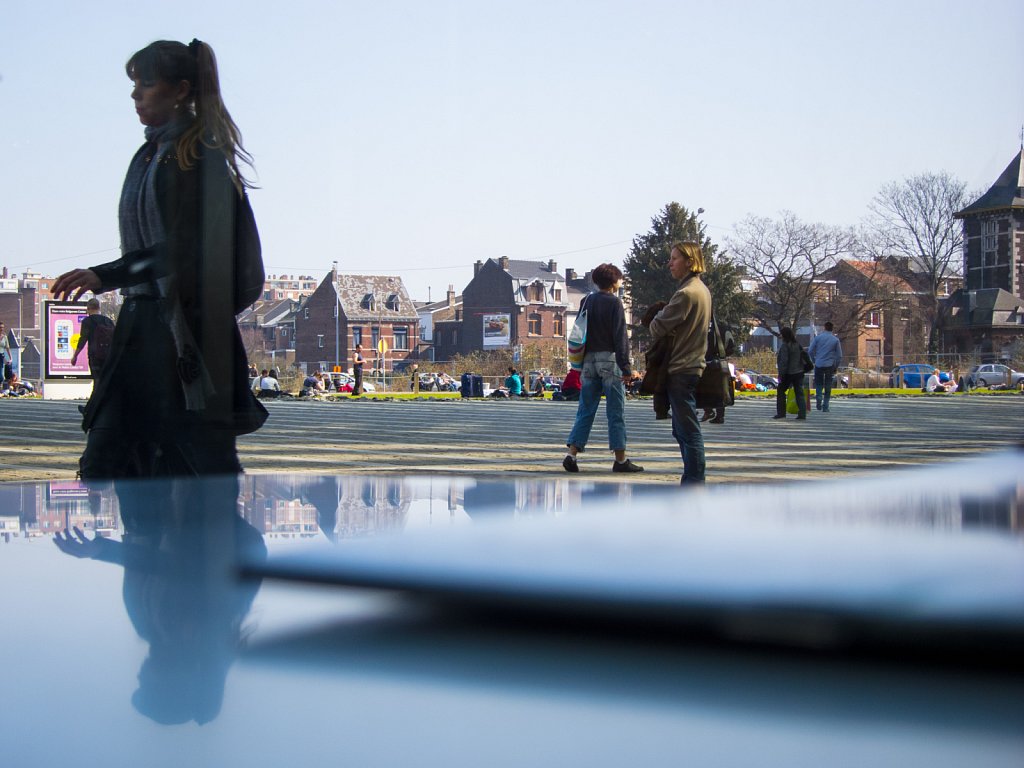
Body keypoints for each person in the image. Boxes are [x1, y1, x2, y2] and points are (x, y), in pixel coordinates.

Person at [52, 39, 266, 479]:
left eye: (146, 85)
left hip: (183, 335)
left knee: (197, 470)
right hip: (144, 328)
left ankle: (199, 545)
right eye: (135, 85)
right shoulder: (152, 154)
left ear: (181, 90)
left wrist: (103, 274)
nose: (135, 96)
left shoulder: (195, 157)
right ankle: (141, 546)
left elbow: (185, 248)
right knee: (117, 462)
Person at [563, 263, 643, 474]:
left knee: (586, 409)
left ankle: (572, 454)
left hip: (588, 360)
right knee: (616, 412)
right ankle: (620, 460)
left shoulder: (586, 300)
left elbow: (581, 331)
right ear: (614, 281)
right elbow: (620, 337)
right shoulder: (615, 303)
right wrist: (626, 368)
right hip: (609, 360)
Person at [646, 243, 711, 483]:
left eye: (674, 259)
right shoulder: (702, 290)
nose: (670, 263)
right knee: (682, 428)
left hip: (682, 367)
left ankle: (693, 481)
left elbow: (656, 327)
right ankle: (693, 478)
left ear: (689, 261)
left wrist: (657, 316)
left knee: (687, 430)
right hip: (692, 364)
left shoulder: (686, 293)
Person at [71, 298, 116, 379]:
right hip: (108, 355)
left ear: (88, 309)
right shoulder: (108, 321)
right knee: (105, 380)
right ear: (99, 308)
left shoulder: (87, 321)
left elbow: (83, 339)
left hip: (94, 356)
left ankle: (97, 391)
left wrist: (75, 356)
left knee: (96, 380)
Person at [807, 321, 843, 412]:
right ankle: (825, 406)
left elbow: (810, 351)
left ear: (824, 328)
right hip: (830, 365)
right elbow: (839, 356)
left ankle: (819, 397)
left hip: (819, 364)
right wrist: (836, 366)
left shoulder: (818, 338)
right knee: (828, 385)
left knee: (818, 383)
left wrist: (814, 360)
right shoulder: (835, 340)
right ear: (832, 328)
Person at [774, 326, 807, 420]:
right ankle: (802, 413)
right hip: (799, 372)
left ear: (784, 335)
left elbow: (784, 361)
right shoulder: (797, 344)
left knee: (780, 391)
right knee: (799, 393)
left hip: (788, 373)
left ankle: (781, 413)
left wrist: (781, 375)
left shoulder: (785, 345)